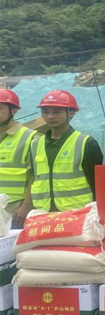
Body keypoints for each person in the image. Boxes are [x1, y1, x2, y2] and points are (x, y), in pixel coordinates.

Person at [30, 90, 104, 212]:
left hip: (77, 213)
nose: (50, 116)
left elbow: (99, 184)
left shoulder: (85, 143)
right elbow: (34, 179)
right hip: (43, 213)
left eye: (57, 112)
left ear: (71, 113)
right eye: (45, 112)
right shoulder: (35, 144)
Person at [0, 89, 39, 227]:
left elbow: (37, 177)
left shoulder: (30, 138)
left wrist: (26, 206)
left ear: (14, 111)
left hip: (14, 210)